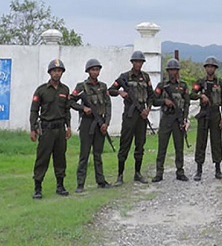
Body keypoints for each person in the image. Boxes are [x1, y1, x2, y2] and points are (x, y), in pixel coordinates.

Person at [109, 50, 155, 185]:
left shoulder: (146, 77)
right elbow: (110, 90)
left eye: (140, 62)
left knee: (140, 144)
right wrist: (120, 92)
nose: (138, 64)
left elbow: (151, 95)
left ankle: (137, 173)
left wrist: (148, 109)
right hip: (130, 115)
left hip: (142, 115)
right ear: (132, 62)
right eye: (136, 62)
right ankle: (120, 175)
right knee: (125, 144)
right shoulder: (124, 77)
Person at [29, 59, 72, 199]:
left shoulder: (65, 90)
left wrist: (69, 126)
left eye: (59, 71)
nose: (57, 73)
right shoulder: (41, 90)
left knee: (60, 158)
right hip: (46, 130)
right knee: (42, 158)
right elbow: (34, 110)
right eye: (54, 71)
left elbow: (67, 110)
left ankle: (60, 185)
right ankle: (38, 187)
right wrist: (33, 128)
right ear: (50, 72)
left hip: (60, 129)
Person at [69, 58, 113, 193]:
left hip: (100, 123)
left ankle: (101, 181)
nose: (95, 72)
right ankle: (80, 183)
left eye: (97, 69)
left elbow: (108, 105)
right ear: (88, 71)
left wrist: (106, 123)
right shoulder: (81, 86)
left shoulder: (103, 86)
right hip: (87, 123)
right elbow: (70, 101)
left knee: (98, 154)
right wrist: (83, 108)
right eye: (93, 69)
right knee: (84, 154)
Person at [151, 59, 190, 182]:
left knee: (179, 147)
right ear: (167, 71)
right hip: (166, 118)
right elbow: (154, 101)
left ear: (178, 71)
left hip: (178, 120)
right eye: (170, 70)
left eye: (175, 70)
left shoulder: (183, 86)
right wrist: (164, 101)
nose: (173, 72)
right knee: (162, 146)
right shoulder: (162, 86)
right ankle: (159, 172)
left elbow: (187, 103)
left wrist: (184, 119)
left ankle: (180, 171)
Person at [190, 56, 222, 181]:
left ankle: (218, 169)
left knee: (216, 141)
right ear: (205, 68)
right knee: (201, 141)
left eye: (212, 66)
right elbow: (191, 94)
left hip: (216, 114)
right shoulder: (200, 82)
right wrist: (201, 96)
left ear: (215, 68)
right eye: (208, 66)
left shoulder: (220, 83)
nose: (210, 68)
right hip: (204, 113)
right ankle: (199, 169)